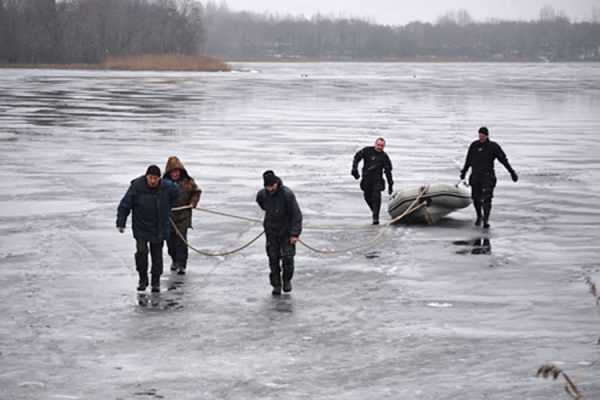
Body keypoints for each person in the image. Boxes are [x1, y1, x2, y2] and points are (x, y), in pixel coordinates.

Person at [116, 165, 180, 292]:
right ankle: (143, 279)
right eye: (150, 178)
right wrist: (121, 222)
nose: (152, 181)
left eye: (155, 178)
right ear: (146, 177)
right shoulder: (137, 186)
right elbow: (125, 205)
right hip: (141, 227)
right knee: (142, 253)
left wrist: (167, 206)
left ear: (159, 178)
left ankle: (155, 281)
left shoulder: (166, 186)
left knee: (157, 256)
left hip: (159, 228)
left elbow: (176, 193)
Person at [460, 127, 518, 229]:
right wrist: (464, 172)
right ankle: (479, 216)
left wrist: (511, 172)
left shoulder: (493, 147)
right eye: (479, 136)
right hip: (475, 177)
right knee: (476, 198)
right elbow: (468, 160)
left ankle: (486, 220)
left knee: (486, 199)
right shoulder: (474, 145)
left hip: (488, 177)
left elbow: (503, 160)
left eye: (483, 136)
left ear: (487, 136)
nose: (481, 138)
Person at [256, 170, 303, 295]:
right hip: (271, 232)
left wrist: (294, 234)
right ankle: (276, 284)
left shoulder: (287, 195)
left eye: (271, 186)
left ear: (276, 183)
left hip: (286, 232)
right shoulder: (262, 195)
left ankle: (287, 280)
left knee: (288, 258)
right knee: (273, 259)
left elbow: (296, 215)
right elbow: (262, 205)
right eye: (267, 186)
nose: (269, 189)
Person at [163, 156, 202, 275]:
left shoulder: (188, 182)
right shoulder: (164, 183)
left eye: (177, 171)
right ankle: (174, 260)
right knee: (170, 241)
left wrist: (193, 203)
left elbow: (197, 192)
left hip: (183, 216)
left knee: (181, 241)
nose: (175, 174)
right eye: (173, 172)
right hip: (169, 216)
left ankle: (182, 264)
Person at [351, 137, 394, 225]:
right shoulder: (367, 151)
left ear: (384, 147)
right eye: (378, 145)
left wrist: (390, 184)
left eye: (381, 146)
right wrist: (354, 169)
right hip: (366, 179)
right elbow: (357, 157)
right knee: (367, 197)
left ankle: (375, 217)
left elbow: (388, 172)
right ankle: (374, 211)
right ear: (375, 144)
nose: (379, 147)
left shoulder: (384, 157)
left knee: (376, 197)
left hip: (377, 180)